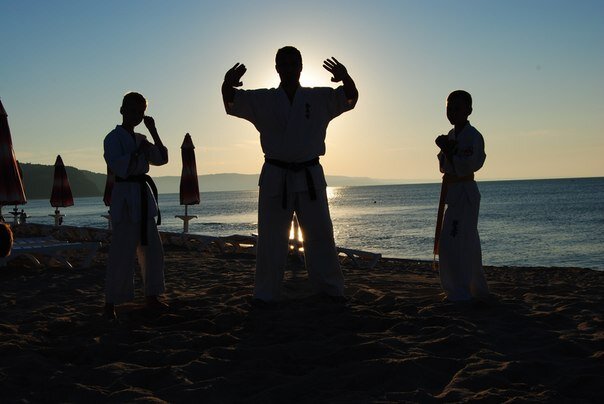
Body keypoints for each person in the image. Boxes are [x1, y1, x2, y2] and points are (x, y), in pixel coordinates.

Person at [222, 46, 358, 302]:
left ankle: (328, 289)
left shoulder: (318, 97)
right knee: (271, 238)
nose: (288, 68)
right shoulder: (263, 99)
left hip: (309, 175)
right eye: (283, 64)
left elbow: (350, 98)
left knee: (320, 235)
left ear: (301, 67)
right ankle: (266, 293)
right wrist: (227, 83)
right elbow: (231, 101)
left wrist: (346, 77)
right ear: (276, 68)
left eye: (293, 63)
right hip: (276, 176)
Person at [102, 92, 169, 319]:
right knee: (121, 252)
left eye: (140, 112)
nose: (136, 115)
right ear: (122, 110)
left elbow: (162, 158)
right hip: (125, 197)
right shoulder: (112, 138)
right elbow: (121, 168)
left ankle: (152, 296)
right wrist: (140, 151)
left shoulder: (141, 137)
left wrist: (154, 131)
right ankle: (110, 303)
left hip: (143, 197)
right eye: (132, 110)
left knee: (153, 251)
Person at [434, 90, 489, 301]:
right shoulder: (451, 135)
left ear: (469, 110)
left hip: (465, 192)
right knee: (465, 242)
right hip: (454, 193)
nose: (452, 112)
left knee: (456, 243)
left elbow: (469, 165)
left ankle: (460, 292)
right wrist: (446, 150)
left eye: (457, 108)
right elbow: (443, 167)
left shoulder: (473, 136)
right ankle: (473, 289)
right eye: (449, 108)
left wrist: (449, 152)